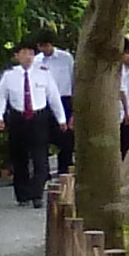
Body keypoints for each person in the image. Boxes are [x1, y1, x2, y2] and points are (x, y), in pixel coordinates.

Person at [0, 44, 52, 205]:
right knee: (19, 157)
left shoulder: (43, 73)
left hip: (39, 117)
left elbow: (53, 96)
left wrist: (61, 119)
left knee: (40, 158)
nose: (28, 57)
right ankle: (23, 194)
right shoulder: (9, 75)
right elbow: (0, 97)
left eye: (31, 53)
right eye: (24, 53)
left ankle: (37, 194)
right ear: (17, 56)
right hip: (18, 117)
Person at [37, 33, 79, 185]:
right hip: (44, 101)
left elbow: (74, 80)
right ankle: (43, 173)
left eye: (47, 45)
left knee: (66, 137)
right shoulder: (37, 61)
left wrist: (75, 107)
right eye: (42, 46)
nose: (45, 49)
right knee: (43, 137)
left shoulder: (65, 58)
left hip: (64, 99)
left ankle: (64, 170)